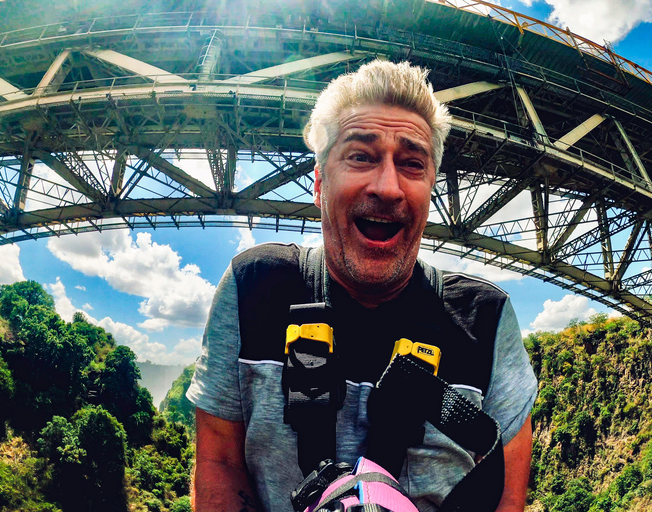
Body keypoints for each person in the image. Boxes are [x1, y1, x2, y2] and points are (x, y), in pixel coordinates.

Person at [187, 60, 538, 512]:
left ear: (430, 188)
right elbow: (220, 465)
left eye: (412, 163)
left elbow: (505, 500)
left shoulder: (486, 320)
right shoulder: (254, 290)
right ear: (319, 182)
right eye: (360, 156)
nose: (388, 187)